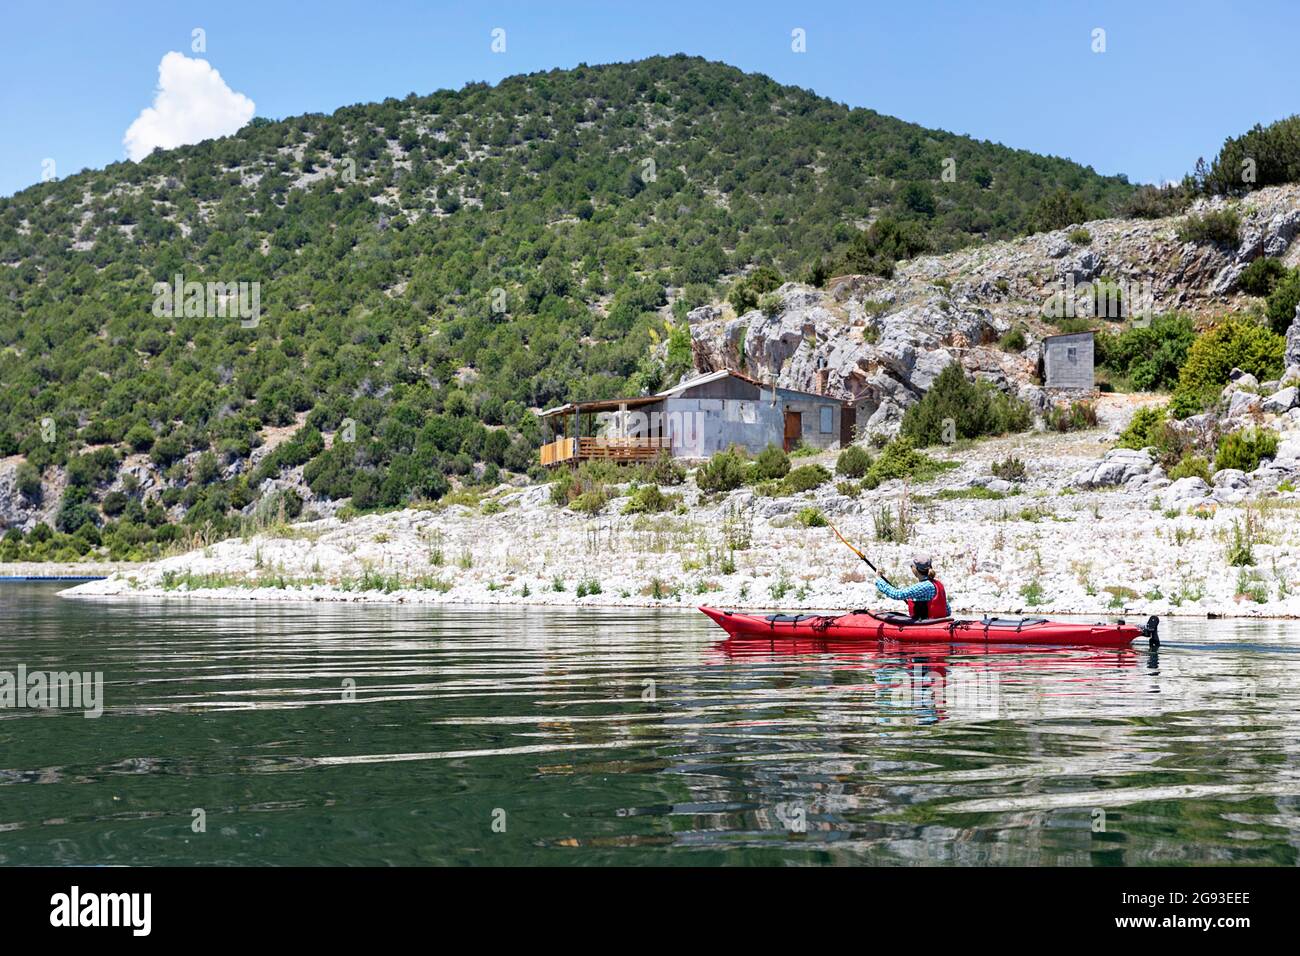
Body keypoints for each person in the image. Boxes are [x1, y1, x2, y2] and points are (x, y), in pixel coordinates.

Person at [875, 555, 949, 619]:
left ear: (915, 569)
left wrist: (879, 580)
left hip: (927, 625)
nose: (911, 569)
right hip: (938, 623)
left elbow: (897, 594)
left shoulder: (923, 586)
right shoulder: (938, 584)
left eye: (911, 566)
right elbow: (948, 610)